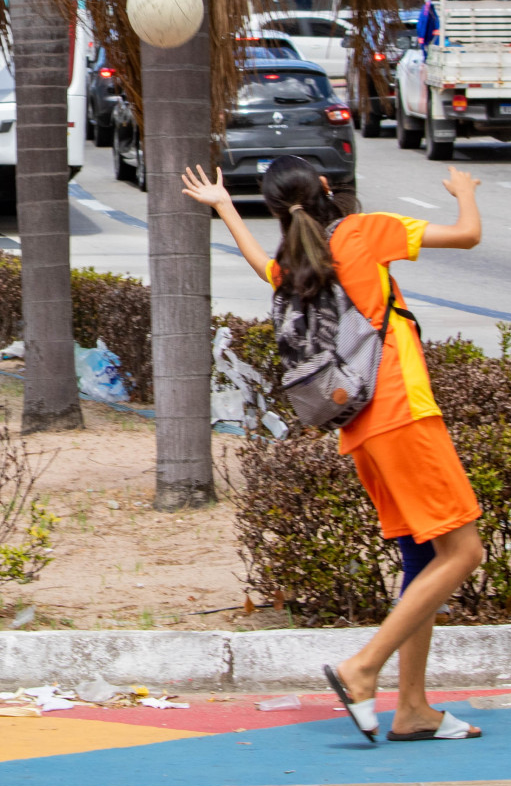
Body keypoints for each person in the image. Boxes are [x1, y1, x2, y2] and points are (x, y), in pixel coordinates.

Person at [181, 156, 488, 744]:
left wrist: (223, 206)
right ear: (325, 187)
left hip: (360, 426)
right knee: (464, 551)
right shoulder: (362, 232)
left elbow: (259, 265)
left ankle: (415, 709)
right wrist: (465, 191)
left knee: (423, 560)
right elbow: (468, 235)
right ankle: (363, 668)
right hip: (403, 413)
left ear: (277, 210)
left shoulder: (296, 264)